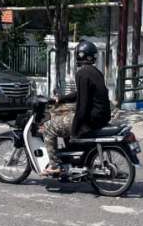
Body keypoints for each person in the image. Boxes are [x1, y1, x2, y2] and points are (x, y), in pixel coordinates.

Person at [44, 40, 111, 174]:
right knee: (66, 118)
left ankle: (54, 165)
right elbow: (80, 93)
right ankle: (71, 154)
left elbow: (82, 105)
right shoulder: (96, 72)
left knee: (49, 127)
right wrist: (61, 99)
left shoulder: (82, 73)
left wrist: (75, 129)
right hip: (101, 117)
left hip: (90, 120)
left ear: (79, 55)